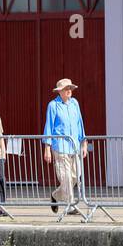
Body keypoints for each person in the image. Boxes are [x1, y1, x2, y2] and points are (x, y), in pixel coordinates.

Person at [42, 78, 87, 216]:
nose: (69, 91)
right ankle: (71, 206)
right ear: (60, 91)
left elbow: (80, 122)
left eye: (70, 88)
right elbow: (49, 125)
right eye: (66, 89)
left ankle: (56, 195)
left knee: (75, 175)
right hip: (60, 145)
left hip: (74, 145)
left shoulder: (75, 103)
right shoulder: (53, 105)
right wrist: (47, 147)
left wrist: (84, 142)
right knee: (66, 177)